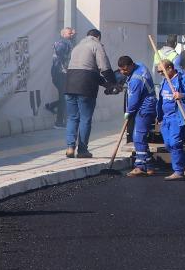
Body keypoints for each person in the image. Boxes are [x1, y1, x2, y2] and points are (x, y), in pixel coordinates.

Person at [63, 29, 114, 158]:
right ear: (98, 37)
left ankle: (70, 148)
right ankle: (82, 150)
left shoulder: (77, 47)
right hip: (85, 86)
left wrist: (105, 84)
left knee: (72, 118)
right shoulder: (96, 45)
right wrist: (113, 83)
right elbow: (104, 68)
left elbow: (86, 69)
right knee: (85, 118)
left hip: (69, 84)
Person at [157, 59, 185, 180]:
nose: (160, 74)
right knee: (168, 145)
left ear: (170, 68)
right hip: (166, 118)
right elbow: (161, 99)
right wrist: (159, 115)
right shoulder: (164, 81)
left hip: (178, 117)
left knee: (175, 143)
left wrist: (182, 95)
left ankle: (178, 171)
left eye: (162, 71)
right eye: (159, 72)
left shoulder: (183, 79)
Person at [117, 56, 158, 176]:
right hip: (148, 104)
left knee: (138, 136)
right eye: (121, 70)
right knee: (142, 137)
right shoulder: (140, 66)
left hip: (144, 108)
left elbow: (133, 100)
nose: (123, 72)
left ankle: (140, 166)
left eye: (125, 69)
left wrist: (128, 112)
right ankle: (149, 166)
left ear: (131, 65)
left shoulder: (136, 80)